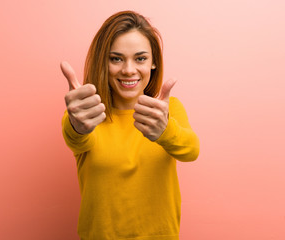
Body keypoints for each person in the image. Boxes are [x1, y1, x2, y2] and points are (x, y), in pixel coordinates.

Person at [61, 10, 200, 240]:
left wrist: (165, 131)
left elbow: (191, 150)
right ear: (103, 62)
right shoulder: (87, 115)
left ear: (153, 62)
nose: (128, 69)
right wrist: (77, 125)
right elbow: (74, 136)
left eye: (140, 58)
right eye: (116, 58)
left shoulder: (168, 110)